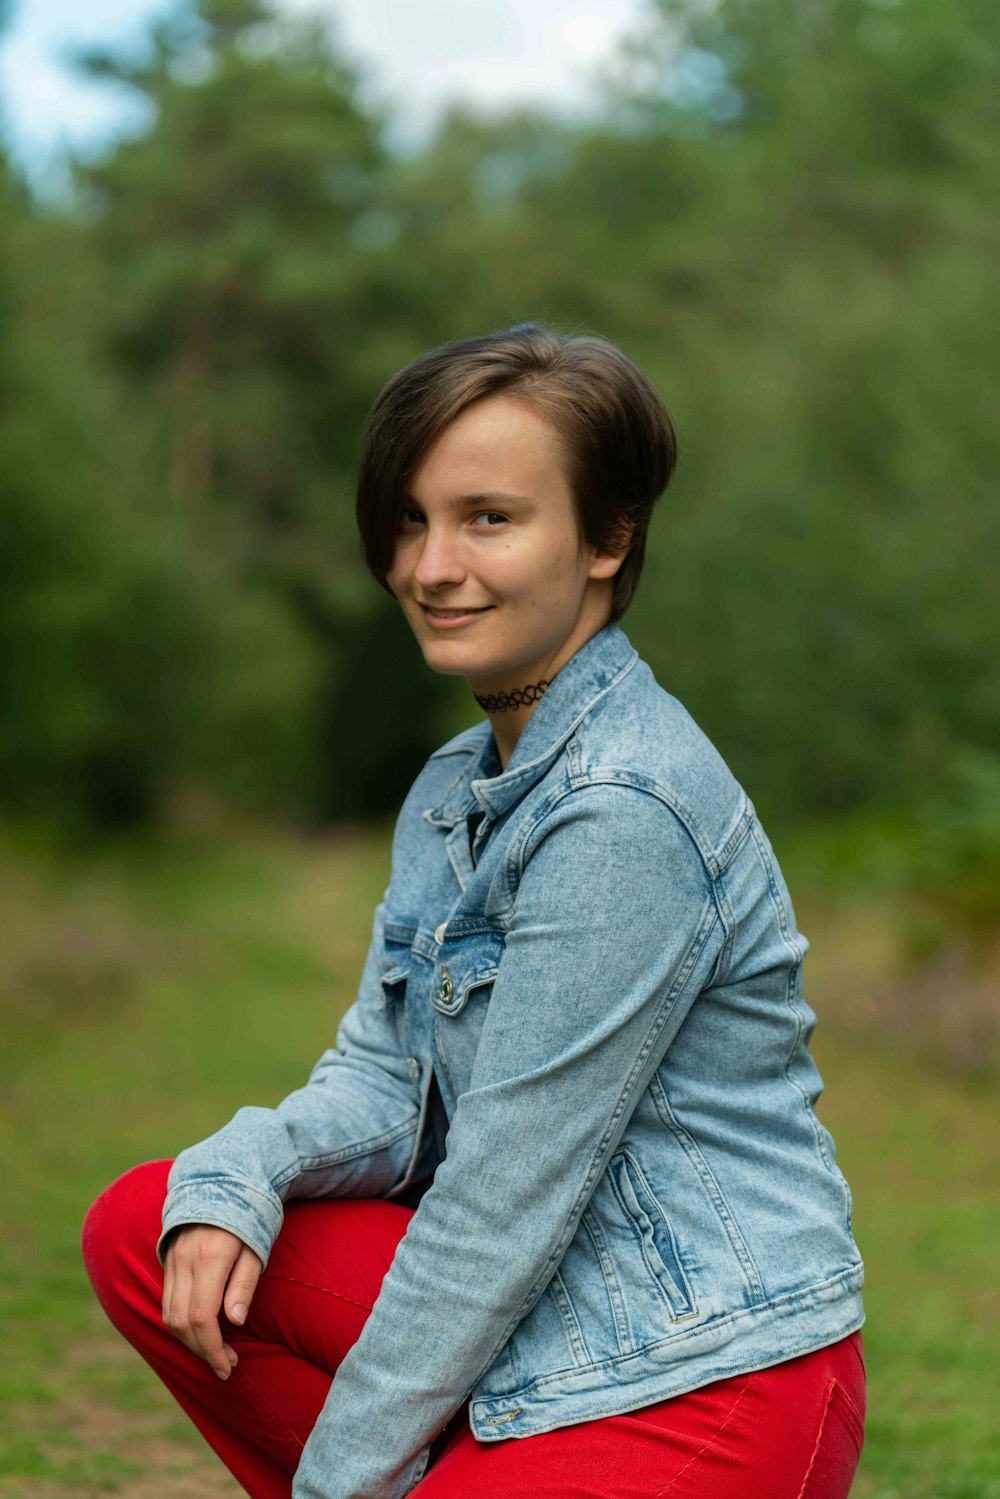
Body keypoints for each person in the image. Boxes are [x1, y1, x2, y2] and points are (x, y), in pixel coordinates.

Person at [81, 323, 866, 1499]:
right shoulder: (458, 785)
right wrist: (237, 1173)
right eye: (409, 518)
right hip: (554, 1315)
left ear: (607, 536)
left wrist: (336, 1477)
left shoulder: (622, 809)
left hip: (702, 1369)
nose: (428, 566)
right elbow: (381, 1086)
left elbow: (500, 1200)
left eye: (487, 518)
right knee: (158, 1223)